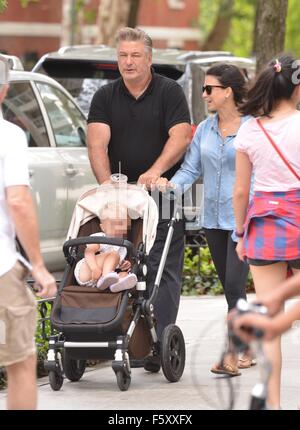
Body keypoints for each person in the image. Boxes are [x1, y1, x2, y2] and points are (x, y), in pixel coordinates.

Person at [87, 27, 191, 371]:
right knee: (121, 264)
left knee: (163, 270)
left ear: (149, 59)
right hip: (121, 197)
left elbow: (180, 136)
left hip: (161, 195)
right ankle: (127, 336)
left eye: (135, 56)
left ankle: (159, 340)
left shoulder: (169, 92)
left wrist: (155, 170)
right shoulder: (104, 96)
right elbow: (97, 143)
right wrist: (107, 190)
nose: (128, 62)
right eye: (122, 56)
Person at [156, 64, 251, 376]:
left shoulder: (253, 128)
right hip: (212, 219)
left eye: (210, 89)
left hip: (245, 220)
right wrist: (169, 187)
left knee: (236, 287)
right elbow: (190, 169)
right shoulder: (206, 130)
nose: (204, 94)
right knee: (230, 288)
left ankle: (232, 354)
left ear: (229, 92)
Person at [232, 54, 300, 409]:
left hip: (264, 225)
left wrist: (241, 235)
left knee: (269, 320)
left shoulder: (249, 129)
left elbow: (241, 191)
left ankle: (274, 405)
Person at [0, 55, 57, 410]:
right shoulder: (9, 135)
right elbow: (18, 200)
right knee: (20, 362)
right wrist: (37, 264)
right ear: (4, 89)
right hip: (1, 267)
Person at [74, 201, 137, 292]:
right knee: (114, 255)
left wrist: (123, 265)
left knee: (124, 274)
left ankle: (115, 284)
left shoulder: (123, 247)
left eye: (121, 224)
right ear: (103, 227)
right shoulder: (101, 237)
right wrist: (94, 268)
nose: (117, 228)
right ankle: (106, 277)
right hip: (87, 271)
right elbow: (89, 252)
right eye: (113, 225)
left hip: (100, 280)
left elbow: (115, 265)